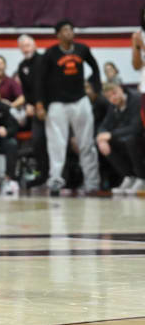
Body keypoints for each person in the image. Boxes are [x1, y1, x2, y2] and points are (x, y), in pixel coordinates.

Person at [35, 19, 101, 194]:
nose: (69, 33)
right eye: (65, 30)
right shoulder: (50, 54)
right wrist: (40, 104)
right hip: (57, 104)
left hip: (80, 100)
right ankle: (55, 179)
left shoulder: (82, 49)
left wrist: (95, 89)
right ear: (58, 35)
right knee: (56, 144)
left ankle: (92, 182)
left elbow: (95, 69)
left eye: (71, 29)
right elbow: (39, 80)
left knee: (86, 143)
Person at [97, 83, 145, 194]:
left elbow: (137, 127)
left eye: (114, 93)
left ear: (120, 89)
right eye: (109, 97)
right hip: (128, 137)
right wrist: (101, 138)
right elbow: (104, 125)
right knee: (105, 145)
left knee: (130, 139)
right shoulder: (113, 105)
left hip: (140, 136)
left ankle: (142, 178)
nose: (113, 98)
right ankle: (129, 177)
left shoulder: (137, 99)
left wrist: (111, 135)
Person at [16, 35, 48, 187]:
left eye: (28, 44)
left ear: (35, 45)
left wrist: (42, 104)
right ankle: (42, 175)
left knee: (56, 143)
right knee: (37, 142)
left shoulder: (44, 60)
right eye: (23, 45)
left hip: (50, 108)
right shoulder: (22, 66)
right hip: (35, 111)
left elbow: (48, 84)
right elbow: (26, 90)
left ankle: (61, 175)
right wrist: (29, 104)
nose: (26, 47)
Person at [132, 6, 145, 121]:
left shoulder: (141, 40)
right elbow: (136, 66)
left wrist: (142, 45)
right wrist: (136, 46)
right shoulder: (140, 35)